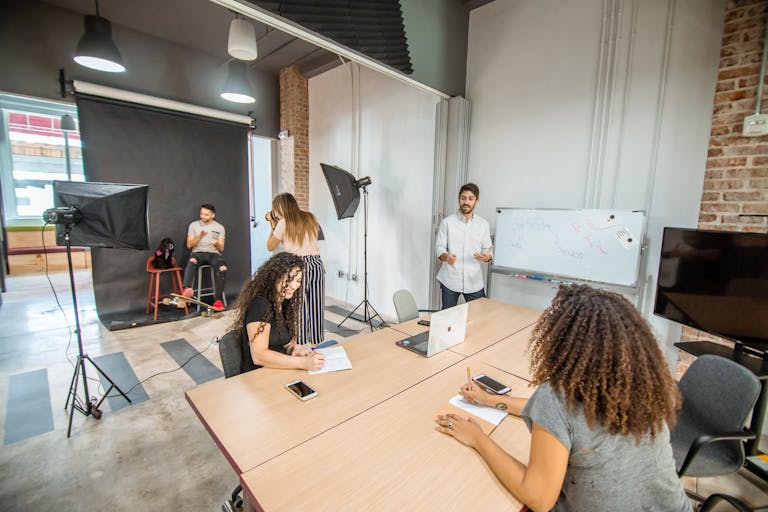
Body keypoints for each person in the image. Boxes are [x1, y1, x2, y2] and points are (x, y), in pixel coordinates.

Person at [435, 284, 692, 512]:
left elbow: (538, 499)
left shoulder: (557, 396)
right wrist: (491, 401)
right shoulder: (641, 385)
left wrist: (477, 438)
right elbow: (565, 421)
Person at [229, 252, 325, 373]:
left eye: (298, 280)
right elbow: (259, 356)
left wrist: (295, 348)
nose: (294, 285)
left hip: (279, 369)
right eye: (289, 279)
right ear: (274, 276)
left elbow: (286, 343)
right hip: (259, 374)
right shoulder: (260, 305)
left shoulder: (284, 303)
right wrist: (302, 363)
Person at [265, 193, 325, 345]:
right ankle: (316, 342)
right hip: (316, 263)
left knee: (298, 304)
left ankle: (299, 341)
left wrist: (272, 224)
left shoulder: (283, 223)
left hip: (297, 265)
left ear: (279, 207)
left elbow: (270, 246)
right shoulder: (310, 217)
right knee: (315, 303)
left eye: (275, 209)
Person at [435, 183, 493, 309]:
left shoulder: (483, 224)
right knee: (448, 319)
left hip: (474, 281)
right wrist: (446, 257)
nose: (466, 202)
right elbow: (439, 247)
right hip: (451, 279)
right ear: (459, 199)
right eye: (463, 198)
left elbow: (487, 249)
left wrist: (487, 257)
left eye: (470, 198)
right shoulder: (447, 223)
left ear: (477, 201)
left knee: (479, 319)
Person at [182, 203, 227, 311]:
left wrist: (216, 244)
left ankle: (217, 300)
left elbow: (221, 249)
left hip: (213, 254)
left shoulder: (219, 227)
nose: (203, 216)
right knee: (192, 260)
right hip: (198, 253)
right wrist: (200, 236)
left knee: (223, 268)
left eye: (206, 215)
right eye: (201, 214)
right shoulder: (194, 225)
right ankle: (186, 289)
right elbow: (189, 245)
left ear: (212, 215)